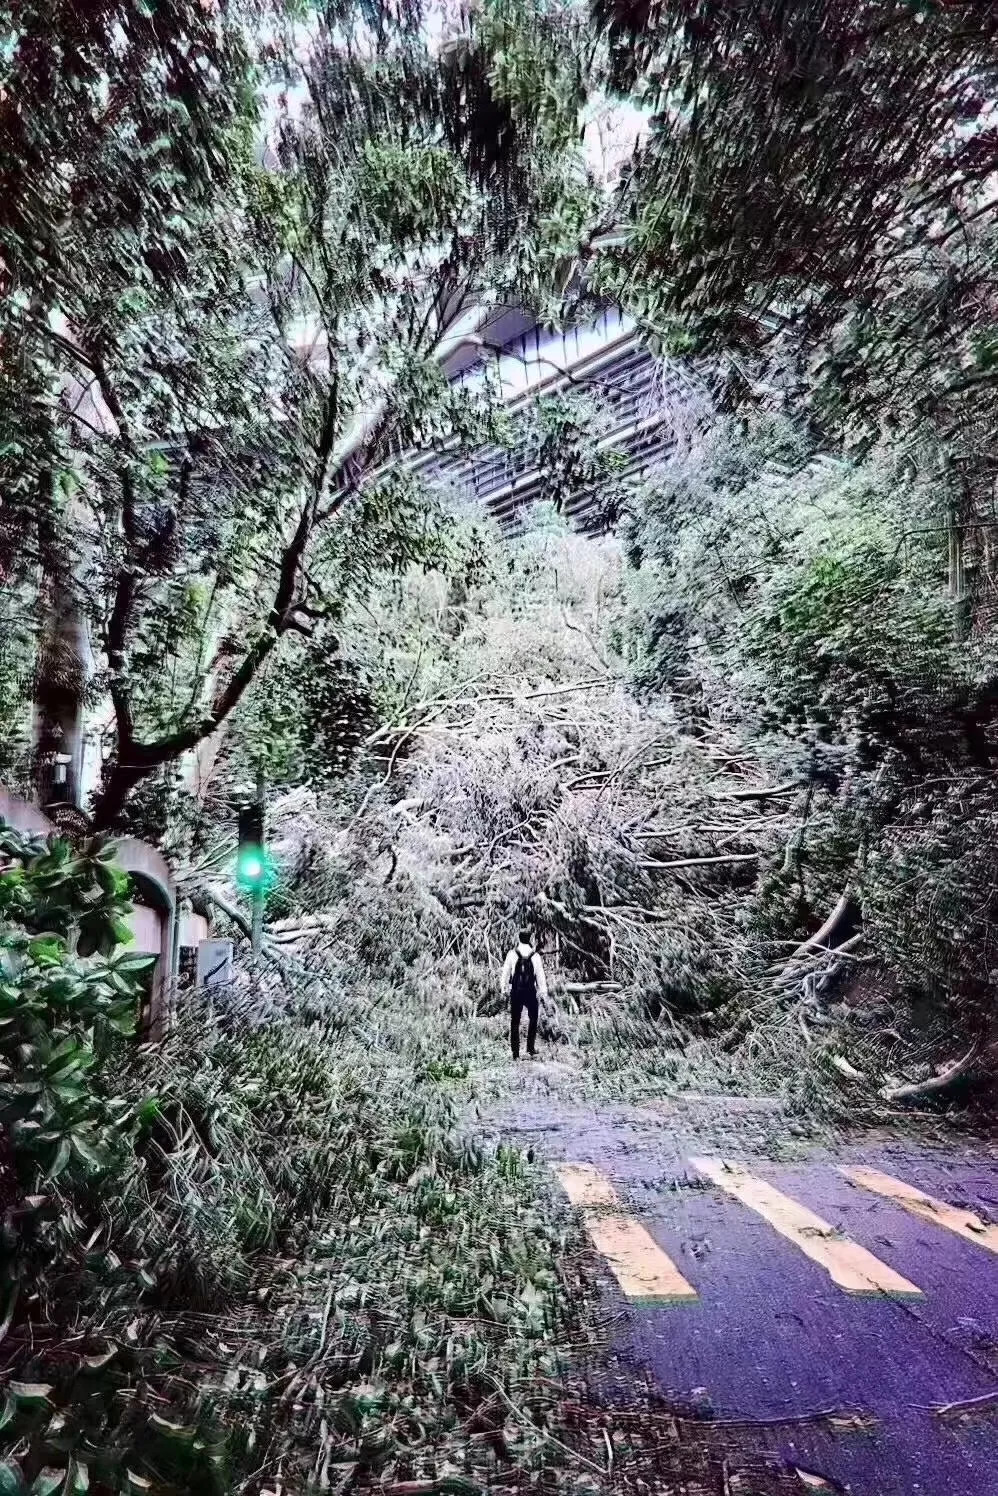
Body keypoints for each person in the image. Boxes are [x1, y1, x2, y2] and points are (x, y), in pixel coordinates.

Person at [501, 928, 548, 1060]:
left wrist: (503, 989)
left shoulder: (512, 954)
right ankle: (530, 1048)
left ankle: (515, 1053)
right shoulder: (536, 956)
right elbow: (540, 976)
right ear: (530, 939)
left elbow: (505, 973)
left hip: (516, 991)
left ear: (519, 938)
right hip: (530, 992)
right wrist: (543, 992)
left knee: (514, 1021)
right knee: (533, 1018)